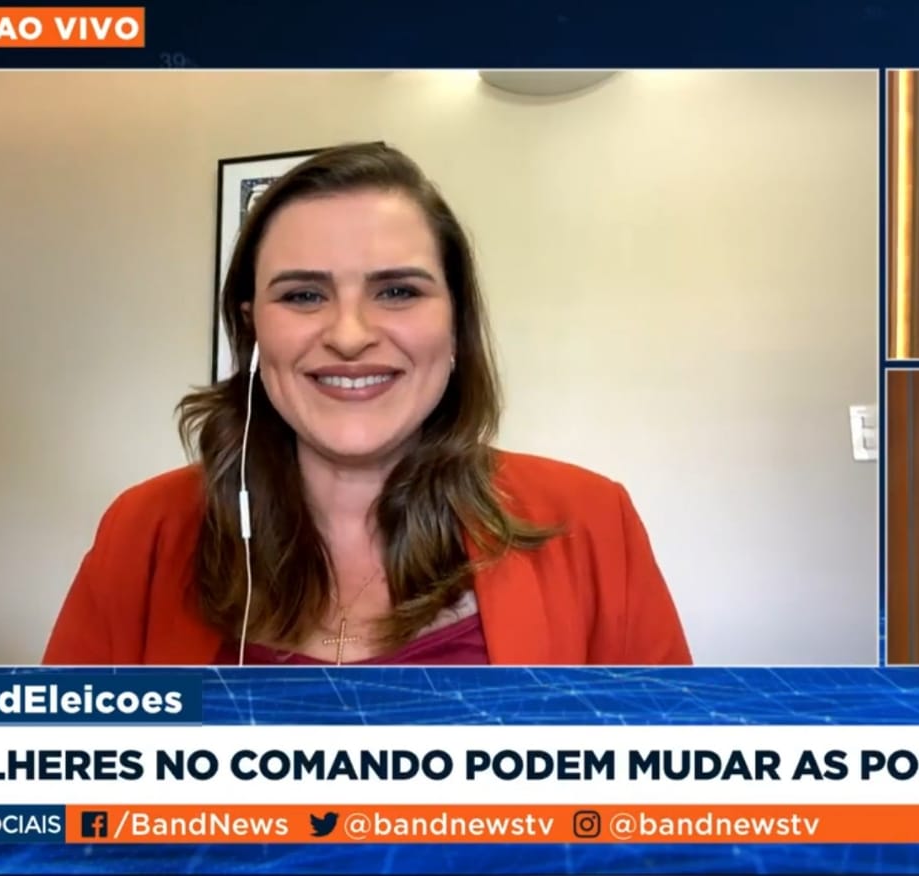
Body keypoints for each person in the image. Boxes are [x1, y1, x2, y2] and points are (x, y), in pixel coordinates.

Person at [43, 142, 693, 666]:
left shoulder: (590, 521)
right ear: (251, 327)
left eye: (398, 291)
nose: (350, 335)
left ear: (456, 325)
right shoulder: (144, 530)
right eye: (303, 295)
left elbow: (665, 782)